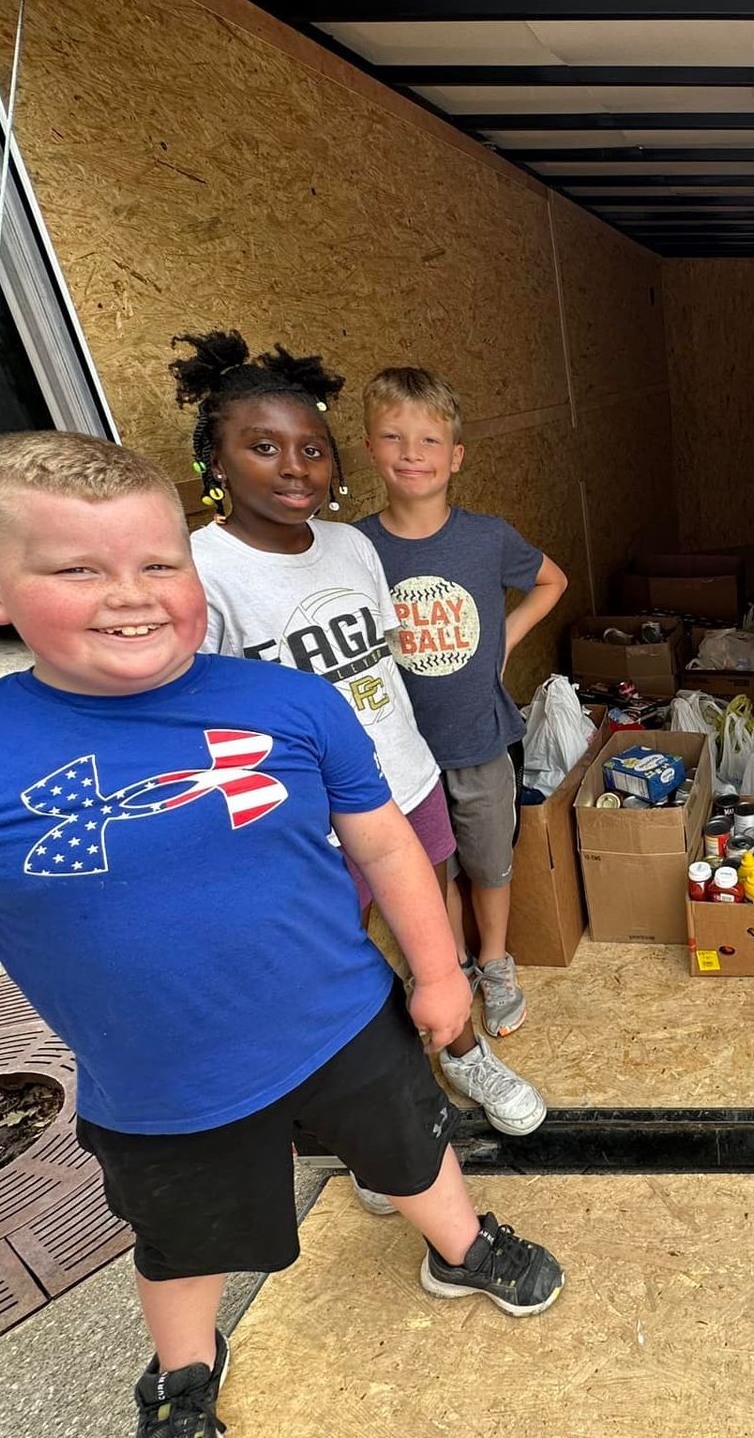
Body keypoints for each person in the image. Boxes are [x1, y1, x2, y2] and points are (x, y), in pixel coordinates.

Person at [0, 432, 564, 1438]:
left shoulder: (288, 702)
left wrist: (441, 976)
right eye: (77, 569)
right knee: (184, 1242)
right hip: (159, 1080)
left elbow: (388, 849)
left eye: (161, 563)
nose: (132, 593)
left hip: (345, 1024)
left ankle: (460, 1247)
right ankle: (184, 1373)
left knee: (414, 1149)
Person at [172, 332, 546, 1150]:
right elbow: (193, 710)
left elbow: (383, 662)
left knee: (433, 927)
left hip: (404, 779)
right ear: (216, 461)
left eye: (312, 448)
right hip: (306, 810)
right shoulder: (200, 569)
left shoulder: (351, 548)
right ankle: (388, 1113)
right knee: (337, 954)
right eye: (263, 447)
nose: (295, 466)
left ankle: (463, 1052)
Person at [353, 366, 569, 1041]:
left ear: (456, 456)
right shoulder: (356, 547)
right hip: (402, 754)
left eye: (428, 440)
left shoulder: (486, 538)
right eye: (394, 437)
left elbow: (552, 580)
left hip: (479, 739)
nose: (412, 453)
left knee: (488, 862)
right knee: (426, 868)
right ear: (369, 448)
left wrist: (508, 631)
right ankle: (443, 968)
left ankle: (494, 963)